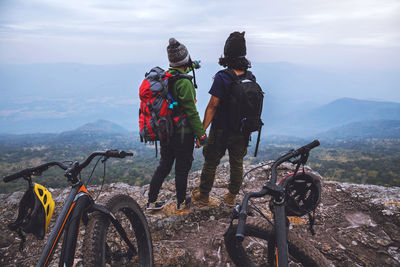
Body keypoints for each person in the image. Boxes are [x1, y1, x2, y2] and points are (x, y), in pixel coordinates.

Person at [193, 31, 254, 207]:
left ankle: (204, 195)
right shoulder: (250, 77)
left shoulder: (222, 76)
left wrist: (202, 130)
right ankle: (231, 197)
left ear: (227, 53)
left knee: (211, 160)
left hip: (221, 128)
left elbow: (212, 105)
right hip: (241, 130)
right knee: (237, 162)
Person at [146, 38, 207, 211]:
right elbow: (191, 112)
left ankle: (151, 201)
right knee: (182, 168)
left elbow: (179, 67)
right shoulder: (185, 83)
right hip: (183, 133)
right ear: (185, 59)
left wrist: (193, 65)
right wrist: (202, 135)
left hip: (166, 130)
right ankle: (181, 202)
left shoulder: (167, 76)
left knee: (164, 165)